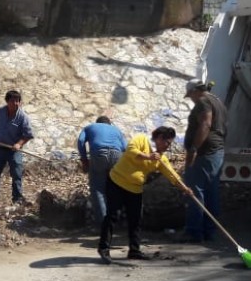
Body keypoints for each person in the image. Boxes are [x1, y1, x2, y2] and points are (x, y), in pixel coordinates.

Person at [98, 126, 192, 263]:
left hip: (135, 189)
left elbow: (172, 175)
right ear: (160, 138)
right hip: (116, 182)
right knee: (113, 215)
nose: (168, 146)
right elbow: (131, 151)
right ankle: (104, 249)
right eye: (167, 143)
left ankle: (134, 251)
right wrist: (148, 156)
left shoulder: (161, 159)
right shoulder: (141, 139)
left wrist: (185, 188)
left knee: (135, 219)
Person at [183, 78, 228, 242]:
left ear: (195, 91)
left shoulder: (203, 102)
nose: (191, 99)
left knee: (194, 191)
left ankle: (194, 232)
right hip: (216, 151)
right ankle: (209, 231)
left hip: (205, 152)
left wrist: (194, 149)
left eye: (190, 95)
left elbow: (205, 124)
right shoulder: (217, 101)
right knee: (211, 191)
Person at [0, 89, 34, 203]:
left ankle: (17, 199)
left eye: (17, 101)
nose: (15, 103)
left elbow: (28, 135)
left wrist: (19, 144)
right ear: (7, 101)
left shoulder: (23, 117)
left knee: (16, 174)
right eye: (12, 101)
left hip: (14, 150)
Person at [77, 115, 127, 228]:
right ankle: (117, 220)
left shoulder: (90, 127)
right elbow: (125, 147)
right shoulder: (117, 130)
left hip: (99, 153)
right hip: (117, 155)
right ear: (109, 123)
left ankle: (105, 224)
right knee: (116, 188)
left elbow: (80, 141)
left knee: (98, 189)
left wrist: (84, 160)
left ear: (97, 122)